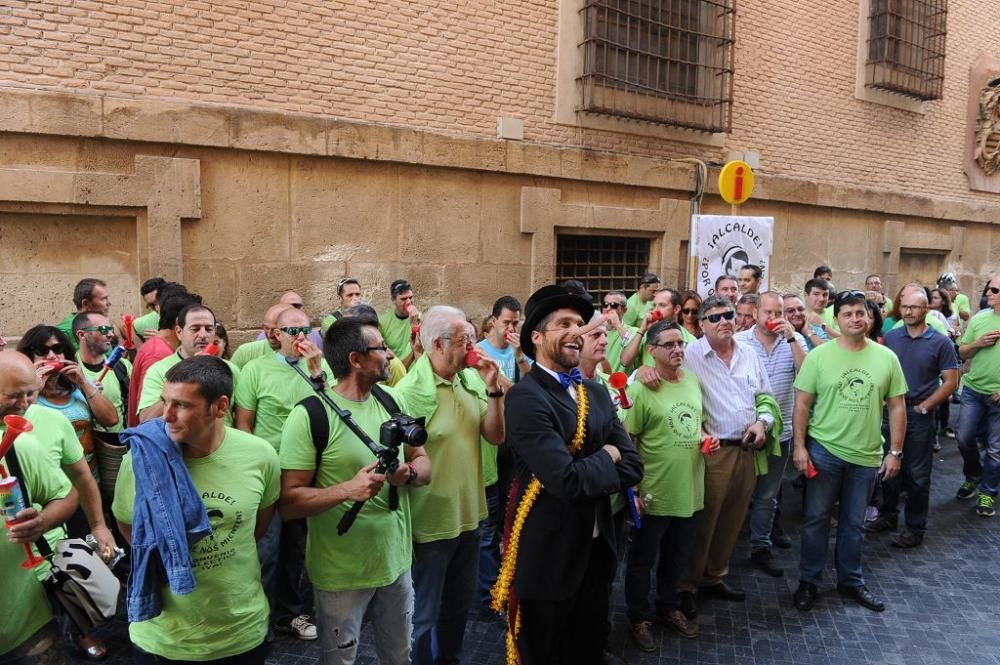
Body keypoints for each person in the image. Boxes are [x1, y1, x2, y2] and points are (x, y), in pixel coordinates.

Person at [493, 285, 642, 665]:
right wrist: (607, 455)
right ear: (537, 337)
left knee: (588, 648)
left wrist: (600, 462)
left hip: (596, 553)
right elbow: (567, 482)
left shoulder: (594, 390)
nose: (576, 330)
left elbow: (633, 465)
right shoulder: (527, 397)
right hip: (549, 559)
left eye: (579, 323)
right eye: (564, 323)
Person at [279, 315, 432, 665]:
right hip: (340, 575)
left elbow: (425, 465)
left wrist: (406, 474)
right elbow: (288, 502)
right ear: (356, 359)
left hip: (395, 565)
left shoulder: (391, 400)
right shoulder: (310, 416)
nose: (391, 355)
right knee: (339, 660)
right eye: (381, 348)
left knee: (399, 657)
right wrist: (347, 489)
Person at [113, 357, 280, 664]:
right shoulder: (140, 461)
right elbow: (129, 528)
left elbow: (258, 527)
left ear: (219, 407)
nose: (166, 416)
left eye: (181, 405)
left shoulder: (260, 455)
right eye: (165, 402)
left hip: (240, 631)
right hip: (164, 637)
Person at [394, 306, 505, 665]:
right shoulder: (408, 393)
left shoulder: (469, 379)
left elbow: (495, 436)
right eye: (465, 340)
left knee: (458, 609)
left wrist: (494, 391)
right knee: (423, 615)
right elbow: (400, 465)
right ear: (437, 345)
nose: (473, 346)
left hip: (470, 515)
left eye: (472, 337)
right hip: (429, 524)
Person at [791, 290, 907, 613]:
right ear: (837, 319)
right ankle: (809, 581)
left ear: (870, 318)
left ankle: (850, 580)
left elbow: (897, 407)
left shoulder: (887, 358)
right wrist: (800, 447)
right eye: (848, 314)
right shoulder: (819, 356)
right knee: (815, 520)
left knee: (854, 523)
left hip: (867, 456)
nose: (856, 318)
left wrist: (895, 452)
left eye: (861, 313)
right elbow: (802, 404)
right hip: (824, 452)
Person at [672, 296, 775, 617]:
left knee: (731, 522)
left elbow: (765, 398)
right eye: (714, 318)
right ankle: (685, 586)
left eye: (728, 315)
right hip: (711, 454)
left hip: (747, 450)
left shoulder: (749, 354)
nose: (724, 321)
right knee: (703, 523)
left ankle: (714, 576)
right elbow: (668, 386)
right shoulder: (689, 356)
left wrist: (763, 422)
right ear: (701, 324)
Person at [235, 306, 330, 641]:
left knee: (297, 548)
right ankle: (257, 618)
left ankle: (288, 614)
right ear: (275, 334)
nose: (301, 337)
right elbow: (243, 425)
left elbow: (332, 409)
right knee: (266, 549)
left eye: (306, 330)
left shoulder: (317, 367)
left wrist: (317, 369)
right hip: (268, 475)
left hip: (305, 475)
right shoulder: (254, 370)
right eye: (293, 331)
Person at [623, 321, 705, 649]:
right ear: (651, 350)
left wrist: (704, 440)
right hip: (654, 491)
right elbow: (628, 440)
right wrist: (634, 490)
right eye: (668, 344)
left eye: (680, 343)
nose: (677, 350)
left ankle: (668, 607)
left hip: (689, 488)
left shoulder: (693, 381)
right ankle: (637, 617)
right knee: (643, 558)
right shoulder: (641, 388)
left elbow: (697, 425)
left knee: (677, 556)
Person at [865, 287, 959, 546]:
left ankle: (915, 528)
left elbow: (951, 381)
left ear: (925, 310)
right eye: (904, 306)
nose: (908, 311)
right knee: (887, 465)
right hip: (889, 411)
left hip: (918, 414)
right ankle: (887, 515)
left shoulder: (941, 342)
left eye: (914, 307)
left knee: (917, 474)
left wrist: (926, 406)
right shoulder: (892, 337)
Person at [1, 356, 77, 664]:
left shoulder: (22, 447)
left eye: (29, 393)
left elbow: (68, 494)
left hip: (24, 619)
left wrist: (43, 521)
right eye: (14, 395)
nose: (24, 404)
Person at [735, 292, 807, 577]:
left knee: (767, 495)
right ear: (755, 314)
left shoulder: (794, 341)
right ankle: (722, 548)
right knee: (736, 493)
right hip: (742, 432)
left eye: (779, 312)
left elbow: (808, 373)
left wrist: (792, 339)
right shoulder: (740, 342)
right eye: (769, 312)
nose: (775, 318)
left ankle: (760, 546)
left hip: (781, 432)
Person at [18, 326, 120, 476]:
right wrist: (35, 389)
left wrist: (84, 383)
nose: (52, 356)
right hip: (51, 481)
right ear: (29, 357)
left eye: (57, 348)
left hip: (90, 477)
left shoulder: (79, 385)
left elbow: (111, 419)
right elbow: (20, 431)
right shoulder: (22, 394)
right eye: (42, 350)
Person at [137, 305, 242, 424]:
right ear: (179, 332)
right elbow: (145, 419)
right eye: (195, 329)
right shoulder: (159, 370)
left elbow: (241, 419)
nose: (203, 335)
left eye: (209, 329)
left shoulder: (230, 369)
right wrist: (187, 375)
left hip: (223, 441)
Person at [954, 274, 1000, 517]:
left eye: (994, 290)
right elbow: (962, 351)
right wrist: (978, 343)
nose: (987, 294)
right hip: (973, 390)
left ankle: (988, 492)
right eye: (988, 289)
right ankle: (974, 475)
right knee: (963, 437)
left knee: (995, 449)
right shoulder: (980, 319)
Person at [127, 285, 200, 426]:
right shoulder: (158, 354)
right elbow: (147, 415)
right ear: (179, 324)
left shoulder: (163, 347)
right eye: (195, 325)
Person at [74, 312, 132, 444]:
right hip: (85, 448)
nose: (111, 334)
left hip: (119, 445)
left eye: (110, 329)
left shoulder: (123, 367)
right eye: (103, 329)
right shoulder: (71, 371)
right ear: (82, 335)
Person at [55, 278, 114, 351]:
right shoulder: (62, 333)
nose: (109, 303)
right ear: (85, 303)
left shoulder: (102, 325)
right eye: (103, 299)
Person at [232, 304, 289, 369]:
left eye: (275, 330)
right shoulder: (245, 353)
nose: (270, 334)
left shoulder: (301, 357)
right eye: (266, 328)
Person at [379, 279, 420, 368]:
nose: (409, 302)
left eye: (411, 297)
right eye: (403, 299)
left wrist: (415, 325)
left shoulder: (421, 319)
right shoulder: (383, 322)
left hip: (416, 370)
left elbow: (420, 349)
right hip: (396, 371)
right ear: (393, 300)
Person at [599, 290, 639, 373]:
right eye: (605, 305)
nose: (608, 309)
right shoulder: (595, 332)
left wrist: (618, 326)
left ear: (624, 310)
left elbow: (634, 354)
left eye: (614, 305)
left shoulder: (634, 331)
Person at [132, 277, 167, 342]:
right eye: (152, 305)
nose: (157, 308)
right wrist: (139, 346)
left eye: (159, 301)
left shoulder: (184, 315)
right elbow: (125, 327)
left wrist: (162, 339)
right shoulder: (147, 320)